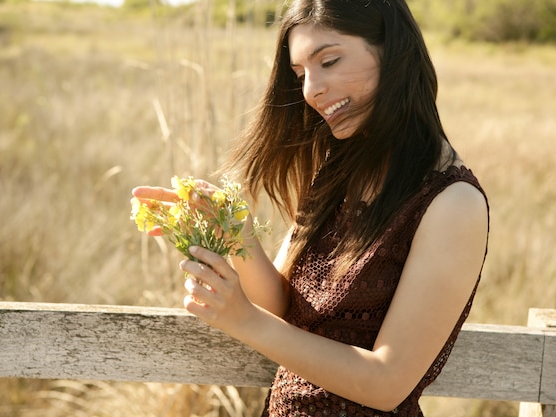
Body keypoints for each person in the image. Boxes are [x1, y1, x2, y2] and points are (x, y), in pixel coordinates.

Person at [132, 0, 490, 415]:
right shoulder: (338, 171)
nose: (310, 90)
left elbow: (387, 382)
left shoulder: (453, 204)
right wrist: (238, 234)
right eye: (300, 74)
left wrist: (243, 320)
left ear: (393, 51)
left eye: (330, 61)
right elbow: (284, 308)